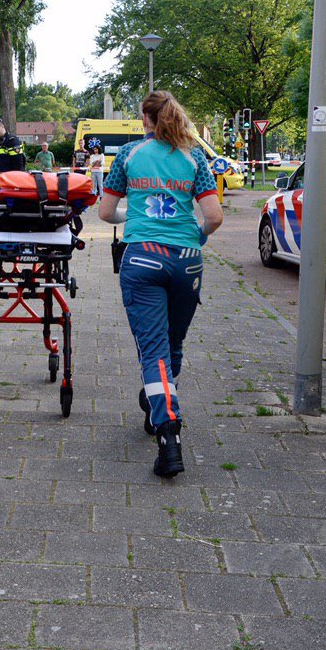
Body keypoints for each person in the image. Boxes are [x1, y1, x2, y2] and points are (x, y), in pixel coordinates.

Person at [97, 91, 223, 478]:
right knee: (172, 344)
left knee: (153, 353)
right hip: (186, 262)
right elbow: (214, 217)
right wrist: (194, 240)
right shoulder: (194, 157)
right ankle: (160, 397)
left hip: (143, 259)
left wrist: (132, 213)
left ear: (145, 119)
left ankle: (168, 432)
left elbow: (105, 213)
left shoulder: (129, 156)